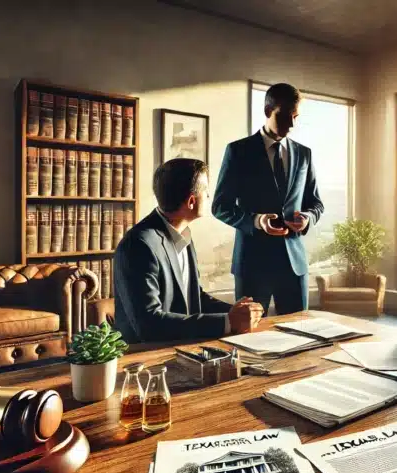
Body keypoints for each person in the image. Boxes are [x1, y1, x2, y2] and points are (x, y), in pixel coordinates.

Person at [113, 158, 264, 343]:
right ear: (191, 201)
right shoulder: (138, 245)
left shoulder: (183, 233)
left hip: (183, 346)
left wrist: (238, 312)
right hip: (145, 357)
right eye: (206, 192)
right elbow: (149, 324)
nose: (209, 197)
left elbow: (195, 297)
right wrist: (228, 321)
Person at [212, 82, 324, 315]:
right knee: (250, 334)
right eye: (285, 116)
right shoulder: (238, 151)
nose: (292, 124)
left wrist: (307, 219)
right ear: (267, 111)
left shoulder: (304, 154)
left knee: (300, 334)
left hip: (294, 265)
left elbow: (316, 204)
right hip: (252, 265)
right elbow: (220, 206)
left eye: (296, 117)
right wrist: (256, 221)